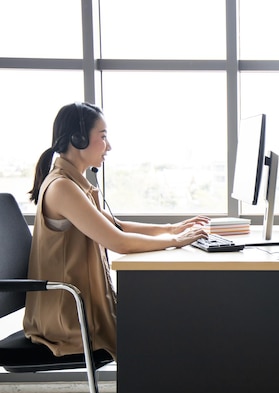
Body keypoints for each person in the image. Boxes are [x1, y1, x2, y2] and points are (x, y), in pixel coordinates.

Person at [25, 102, 209, 361]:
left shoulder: (74, 184)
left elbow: (115, 224)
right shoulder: (62, 188)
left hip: (79, 307)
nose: (108, 146)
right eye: (103, 137)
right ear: (77, 139)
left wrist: (170, 229)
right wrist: (175, 240)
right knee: (171, 322)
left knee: (170, 313)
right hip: (67, 319)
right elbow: (118, 241)